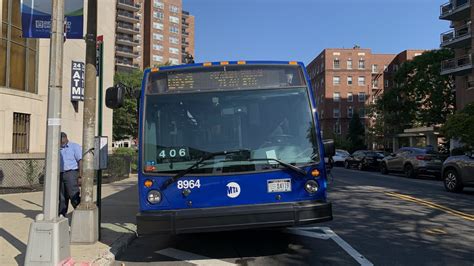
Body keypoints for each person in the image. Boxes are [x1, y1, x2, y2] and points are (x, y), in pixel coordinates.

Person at [59, 132, 82, 216]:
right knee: (62, 196)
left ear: (65, 138)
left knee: (73, 194)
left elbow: (80, 161)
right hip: (60, 174)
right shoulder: (58, 148)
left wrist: (80, 175)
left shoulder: (74, 146)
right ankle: (62, 214)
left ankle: (79, 212)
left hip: (71, 173)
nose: (59, 142)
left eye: (60, 139)